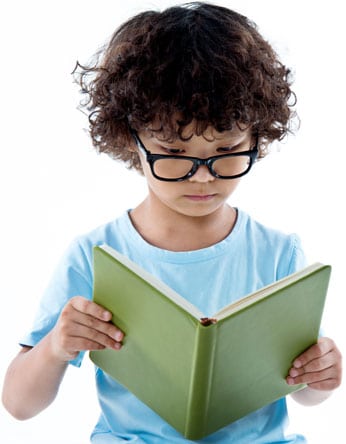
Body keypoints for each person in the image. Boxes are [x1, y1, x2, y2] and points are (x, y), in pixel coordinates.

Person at [2, 2, 342, 443]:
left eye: (227, 151)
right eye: (175, 155)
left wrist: (321, 377)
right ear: (131, 138)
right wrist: (56, 346)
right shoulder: (96, 255)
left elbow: (302, 392)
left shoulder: (278, 254)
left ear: (257, 136)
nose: (203, 177)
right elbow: (18, 404)